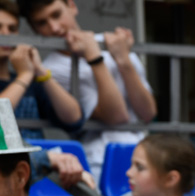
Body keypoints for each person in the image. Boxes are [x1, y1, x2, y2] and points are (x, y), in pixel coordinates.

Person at [19, 0, 157, 180]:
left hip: (141, 150)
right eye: (41, 23)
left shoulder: (113, 43)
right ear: (34, 28)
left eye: (56, 15)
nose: (54, 28)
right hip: (99, 158)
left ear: (72, 6)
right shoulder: (51, 68)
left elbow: (148, 113)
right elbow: (116, 116)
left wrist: (123, 60)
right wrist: (94, 57)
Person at [0, 0, 82, 139]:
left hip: (39, 158)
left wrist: (39, 71)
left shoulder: (32, 82)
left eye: (12, 29)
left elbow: (74, 119)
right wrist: (24, 76)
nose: (5, 34)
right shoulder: (25, 77)